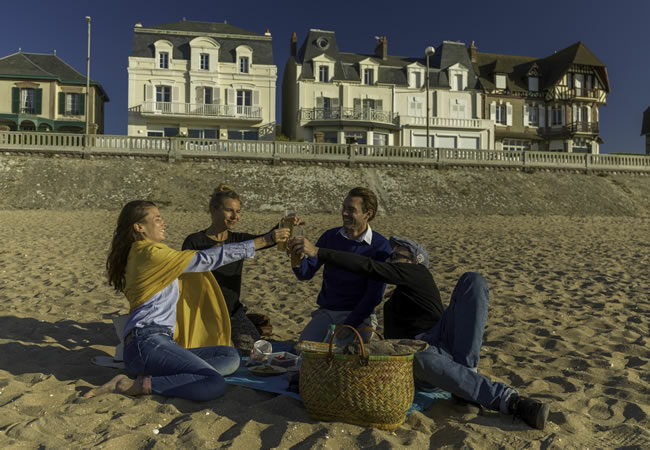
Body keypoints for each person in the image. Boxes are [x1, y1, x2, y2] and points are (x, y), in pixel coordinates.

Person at [288, 236, 550, 430]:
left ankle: (501, 397)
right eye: (391, 256)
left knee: (473, 280)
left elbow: (369, 267)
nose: (391, 259)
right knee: (419, 357)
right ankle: (472, 388)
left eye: (398, 255)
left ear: (415, 262)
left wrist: (319, 251)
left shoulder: (418, 274)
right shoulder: (394, 300)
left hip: (442, 340)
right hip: (418, 356)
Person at [84, 200, 289, 401]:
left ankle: (156, 375)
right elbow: (205, 259)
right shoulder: (148, 252)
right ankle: (131, 385)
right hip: (146, 342)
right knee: (213, 383)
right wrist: (265, 240)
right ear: (139, 227)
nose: (164, 223)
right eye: (157, 219)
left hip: (158, 341)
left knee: (230, 356)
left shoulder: (144, 253)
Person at [183, 184, 299, 352]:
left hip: (233, 313)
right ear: (213, 210)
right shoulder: (194, 241)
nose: (234, 216)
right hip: (203, 314)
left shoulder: (239, 239)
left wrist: (284, 225)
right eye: (229, 211)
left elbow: (264, 240)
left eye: (238, 211)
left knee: (256, 350)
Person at [291, 187, 392, 343]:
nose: (344, 213)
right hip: (328, 312)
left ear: (368, 213)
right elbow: (305, 273)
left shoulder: (380, 246)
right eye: (344, 207)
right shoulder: (330, 236)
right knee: (304, 352)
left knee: (345, 357)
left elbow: (374, 296)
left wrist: (349, 324)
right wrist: (297, 258)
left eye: (351, 209)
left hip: (360, 316)